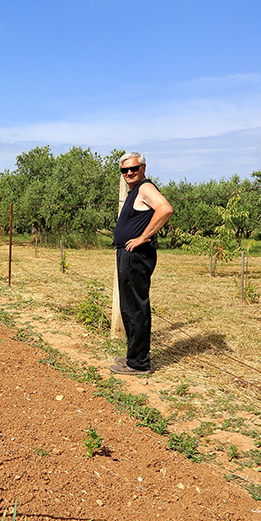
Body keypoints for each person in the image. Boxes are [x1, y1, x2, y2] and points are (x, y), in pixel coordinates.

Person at [111, 152, 173, 375]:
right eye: (124, 170)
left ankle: (139, 363)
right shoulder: (134, 191)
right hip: (129, 254)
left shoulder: (145, 187)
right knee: (129, 307)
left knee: (136, 307)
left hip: (136, 255)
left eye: (134, 169)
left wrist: (143, 237)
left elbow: (165, 209)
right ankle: (133, 356)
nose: (129, 173)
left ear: (143, 168)